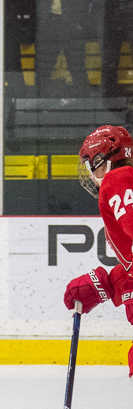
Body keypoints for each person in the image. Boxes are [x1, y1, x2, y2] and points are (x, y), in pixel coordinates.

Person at [64, 125, 133, 377]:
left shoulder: (117, 179)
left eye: (91, 164)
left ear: (104, 160)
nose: (91, 173)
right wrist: (108, 284)